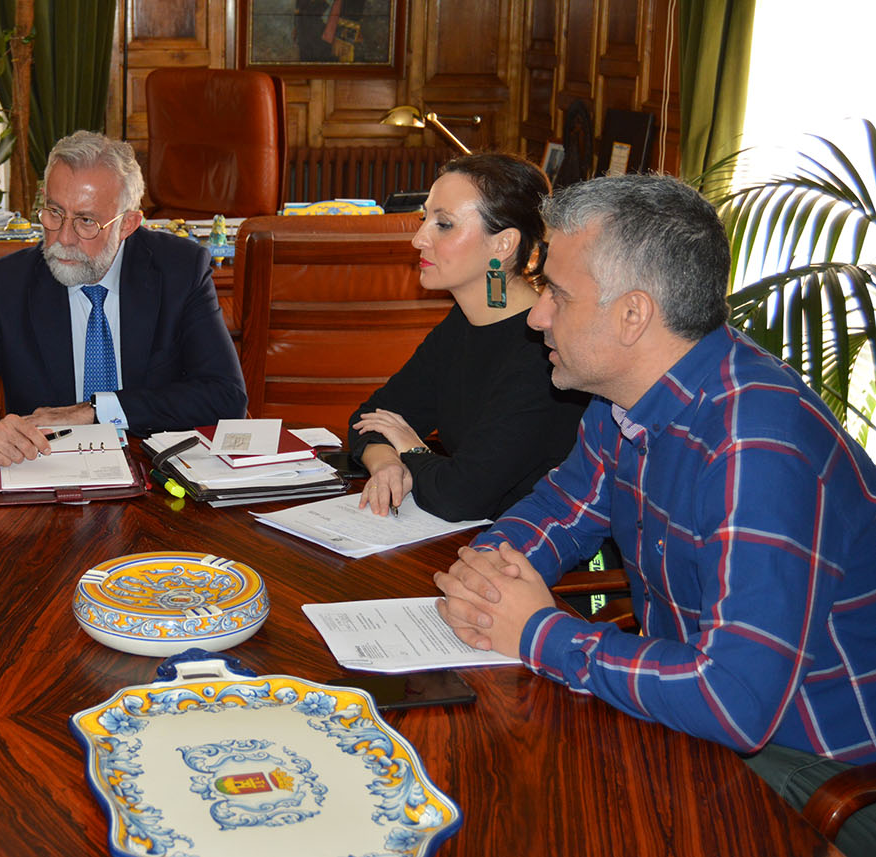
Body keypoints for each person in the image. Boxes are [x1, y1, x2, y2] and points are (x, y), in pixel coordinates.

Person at [434, 174, 876, 854]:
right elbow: (563, 506)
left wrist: (539, 633)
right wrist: (487, 579)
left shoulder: (756, 444)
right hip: (694, 718)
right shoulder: (624, 402)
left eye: (556, 293)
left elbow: (734, 701)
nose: (535, 316)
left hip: (815, 770)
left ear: (632, 314)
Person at [0, 130, 247, 466]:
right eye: (54, 213)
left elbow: (226, 396)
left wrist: (97, 410)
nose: (63, 238)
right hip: (47, 481)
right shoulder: (7, 286)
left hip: (155, 478)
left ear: (127, 224)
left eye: (86, 221)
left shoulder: (179, 271)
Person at [348, 153, 587, 522]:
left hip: (538, 558)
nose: (418, 239)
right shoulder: (463, 322)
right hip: (475, 540)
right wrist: (385, 466)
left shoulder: (544, 350)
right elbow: (368, 419)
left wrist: (411, 448)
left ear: (503, 245)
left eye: (443, 224)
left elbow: (458, 497)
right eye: (423, 217)